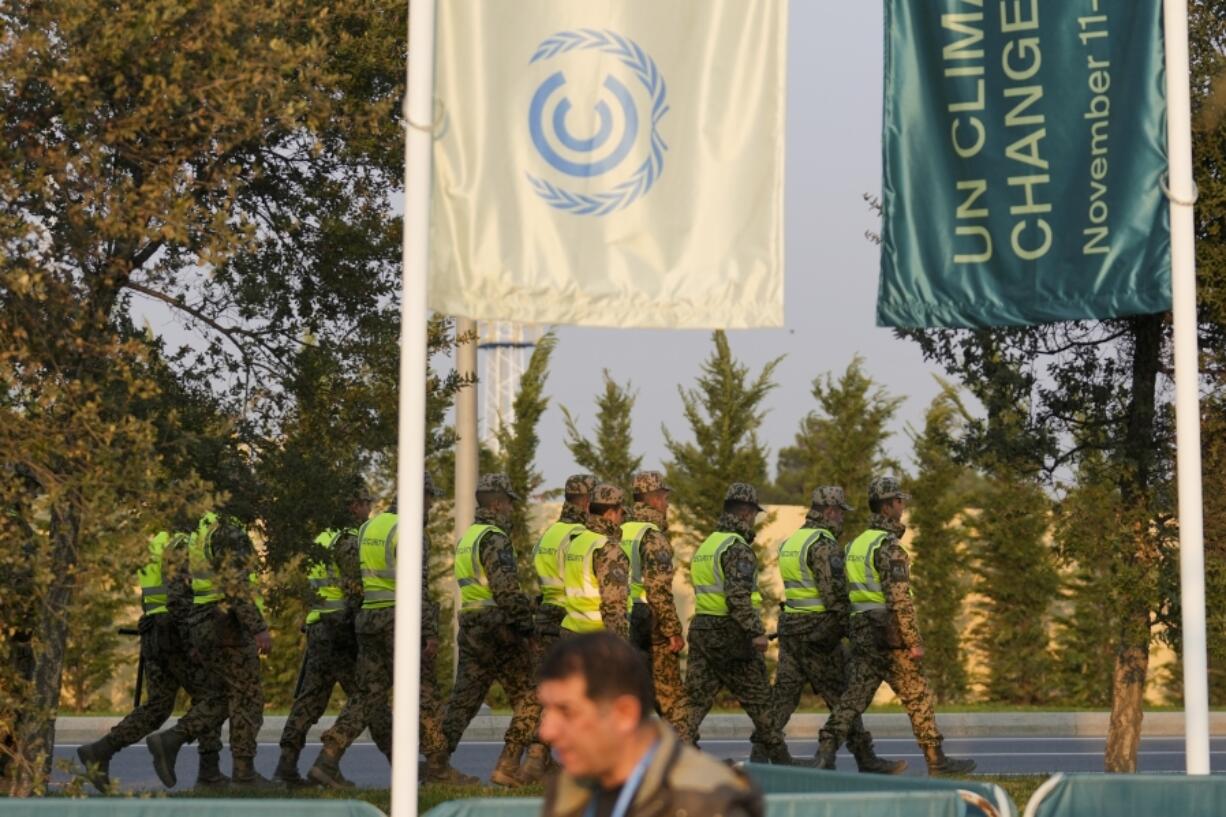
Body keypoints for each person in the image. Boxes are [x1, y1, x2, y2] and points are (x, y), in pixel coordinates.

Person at [308, 472, 473, 787]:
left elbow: (354, 580)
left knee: (367, 695)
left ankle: (327, 759)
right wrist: (429, 632)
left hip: (369, 619)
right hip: (401, 620)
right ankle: (438, 769)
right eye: (430, 498)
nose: (431, 505)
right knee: (424, 694)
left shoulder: (370, 527)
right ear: (419, 497)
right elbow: (419, 586)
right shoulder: (410, 531)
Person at [819, 477, 975, 775]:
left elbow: (841, 592)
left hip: (862, 631)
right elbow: (899, 599)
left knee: (853, 699)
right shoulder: (889, 547)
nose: (903, 507)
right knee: (917, 695)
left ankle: (825, 754)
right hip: (889, 634)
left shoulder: (854, 545)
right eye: (899, 502)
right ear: (888, 506)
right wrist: (913, 640)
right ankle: (937, 760)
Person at [538, 632, 764, 817]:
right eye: (547, 710)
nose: (546, 731)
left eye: (566, 711)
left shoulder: (706, 801)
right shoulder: (569, 790)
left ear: (625, 714)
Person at [760, 486, 905, 773]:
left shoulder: (793, 541)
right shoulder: (823, 544)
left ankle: (759, 751)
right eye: (840, 513)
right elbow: (835, 596)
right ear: (829, 511)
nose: (842, 519)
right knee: (842, 695)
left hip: (791, 628)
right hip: (818, 633)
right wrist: (853, 630)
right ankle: (863, 757)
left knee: (785, 696)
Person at [76, 529, 226, 791]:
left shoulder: (158, 539)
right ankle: (208, 772)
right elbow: (178, 597)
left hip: (155, 633)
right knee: (213, 696)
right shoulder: (184, 543)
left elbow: (153, 594)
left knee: (158, 706)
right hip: (176, 635)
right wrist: (194, 641)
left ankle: (99, 752)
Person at [148, 511, 272, 788]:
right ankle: (244, 773)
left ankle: (172, 741)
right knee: (247, 697)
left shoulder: (199, 533)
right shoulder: (228, 530)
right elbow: (236, 584)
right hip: (227, 624)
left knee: (220, 697)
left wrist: (193, 637)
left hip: (202, 622)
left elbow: (180, 591)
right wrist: (257, 627)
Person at [441, 473, 541, 787]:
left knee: (464, 701)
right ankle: (510, 763)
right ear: (497, 503)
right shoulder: (495, 537)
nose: (511, 508)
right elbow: (506, 591)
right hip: (498, 628)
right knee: (531, 695)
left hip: (471, 624)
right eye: (509, 502)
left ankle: (436, 764)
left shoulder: (468, 538)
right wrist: (528, 629)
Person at [683, 483, 795, 764]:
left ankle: (675, 760)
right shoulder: (737, 548)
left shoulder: (708, 545)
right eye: (753, 514)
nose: (754, 519)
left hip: (702, 630)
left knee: (694, 705)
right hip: (730, 635)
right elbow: (737, 598)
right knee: (761, 705)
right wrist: (755, 632)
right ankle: (784, 766)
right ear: (745, 512)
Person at [272, 480, 370, 785]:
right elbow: (356, 590)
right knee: (368, 697)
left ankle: (286, 765)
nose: (369, 510)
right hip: (342, 630)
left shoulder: (320, 538)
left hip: (318, 626)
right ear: (354, 506)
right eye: (367, 503)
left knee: (310, 700)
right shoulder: (347, 540)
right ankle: (328, 762)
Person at [519, 473, 595, 784]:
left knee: (547, 691)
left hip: (545, 617)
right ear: (588, 502)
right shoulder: (579, 536)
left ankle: (536, 758)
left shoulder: (548, 535)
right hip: (569, 619)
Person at [623, 470, 690, 741]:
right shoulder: (653, 536)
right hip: (646, 617)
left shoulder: (619, 528)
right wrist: (672, 629)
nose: (667, 504)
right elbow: (658, 589)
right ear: (653, 498)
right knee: (670, 692)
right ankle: (685, 753)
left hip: (620, 617)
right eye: (664, 497)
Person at [559, 483, 629, 639]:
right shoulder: (608, 549)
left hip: (570, 632)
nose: (622, 519)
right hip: (596, 638)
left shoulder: (575, 541)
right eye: (621, 513)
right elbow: (613, 605)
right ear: (611, 514)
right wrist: (620, 646)